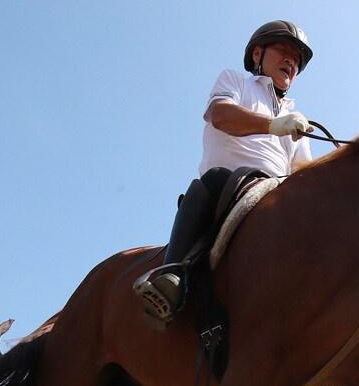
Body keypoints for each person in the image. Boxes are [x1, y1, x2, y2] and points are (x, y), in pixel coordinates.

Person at [132, 20, 316, 323]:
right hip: (227, 188)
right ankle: (171, 276)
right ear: (257, 54)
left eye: (296, 60)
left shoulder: (295, 117)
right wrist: (272, 126)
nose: (291, 62)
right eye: (284, 51)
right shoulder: (236, 81)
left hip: (276, 195)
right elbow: (220, 115)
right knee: (214, 179)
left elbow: (302, 173)